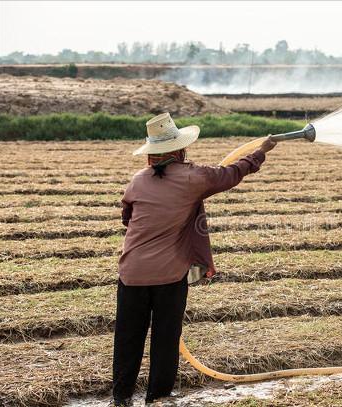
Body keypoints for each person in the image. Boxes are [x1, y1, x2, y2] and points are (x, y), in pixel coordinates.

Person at [112, 112, 276, 406]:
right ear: (179, 149)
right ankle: (159, 398)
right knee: (165, 338)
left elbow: (127, 218)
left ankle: (121, 398)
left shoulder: (137, 181)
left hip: (132, 272)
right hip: (170, 275)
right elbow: (233, 172)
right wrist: (262, 151)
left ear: (151, 154)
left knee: (128, 338)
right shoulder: (193, 178)